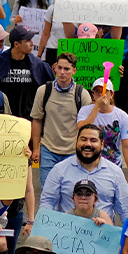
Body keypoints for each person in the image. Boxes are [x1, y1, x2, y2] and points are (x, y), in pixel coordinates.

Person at [31, 52, 94, 187]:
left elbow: (87, 127)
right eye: (59, 68)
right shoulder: (43, 91)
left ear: (74, 71)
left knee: (70, 193)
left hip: (72, 152)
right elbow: (37, 120)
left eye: (67, 69)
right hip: (48, 150)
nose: (62, 72)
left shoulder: (82, 94)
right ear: (55, 68)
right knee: (48, 193)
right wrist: (36, 148)